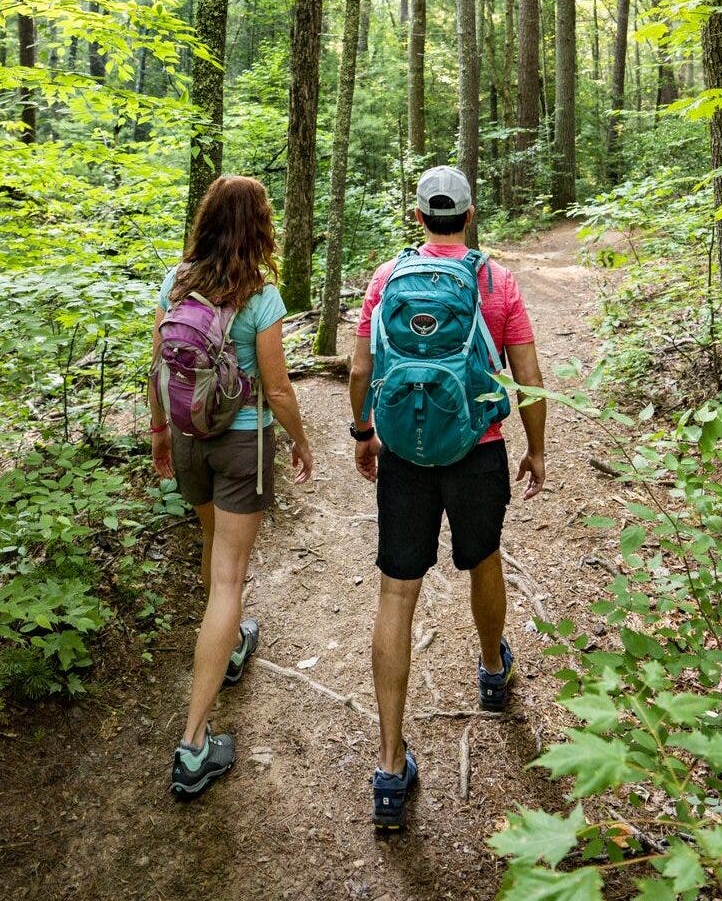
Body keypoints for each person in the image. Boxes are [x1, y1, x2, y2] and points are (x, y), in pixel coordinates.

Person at [349, 166, 546, 829]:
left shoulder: (385, 278)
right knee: (483, 559)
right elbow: (529, 376)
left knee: (396, 593)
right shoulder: (495, 281)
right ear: (468, 213)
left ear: (418, 216)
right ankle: (492, 670)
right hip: (477, 447)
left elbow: (360, 369)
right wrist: (536, 448)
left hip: (404, 450)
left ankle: (387, 764)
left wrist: (364, 433)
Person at [149, 175, 314, 798]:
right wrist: (300, 441)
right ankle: (193, 746)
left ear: (208, 220)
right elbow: (276, 388)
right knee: (229, 579)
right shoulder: (261, 296)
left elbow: (158, 367)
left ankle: (234, 638)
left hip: (191, 437)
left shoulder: (177, 280)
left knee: (212, 550)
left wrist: (161, 434)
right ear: (260, 226)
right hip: (243, 440)